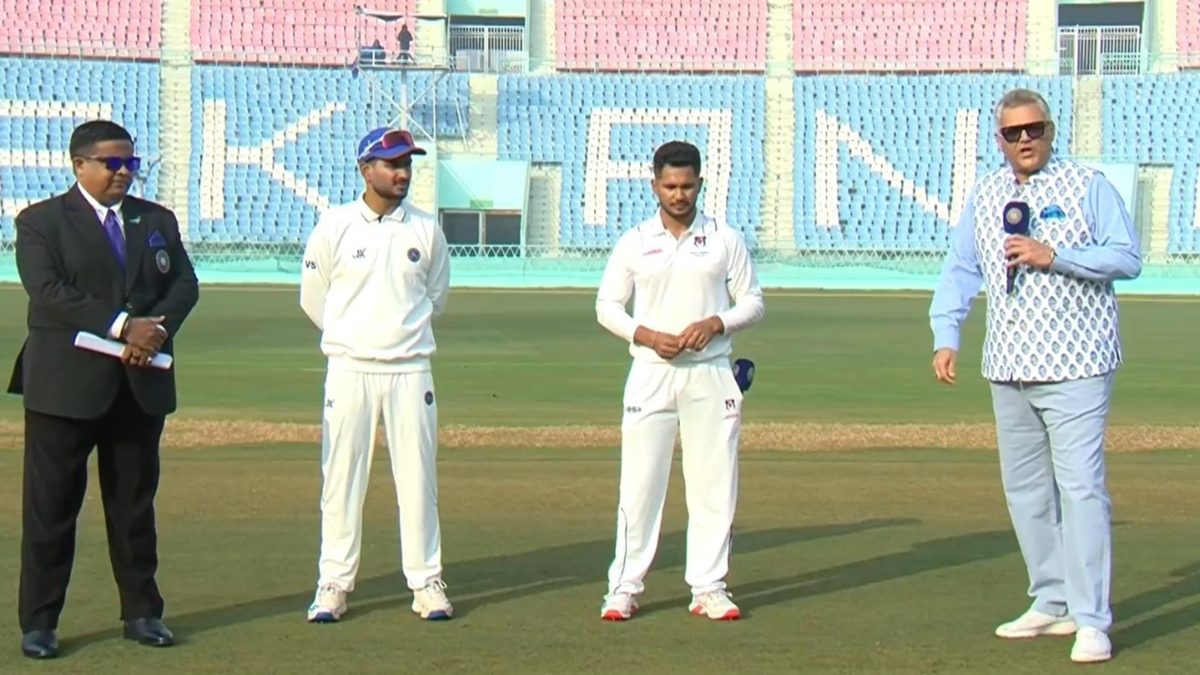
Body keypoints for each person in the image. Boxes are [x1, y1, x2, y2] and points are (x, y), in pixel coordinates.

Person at [928, 89, 1142, 664]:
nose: (1025, 140)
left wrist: (1058, 256)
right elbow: (961, 268)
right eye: (1013, 132)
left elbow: (1127, 257)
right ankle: (1052, 599)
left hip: (1078, 363)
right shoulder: (986, 193)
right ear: (999, 140)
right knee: (1025, 490)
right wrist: (946, 333)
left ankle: (1091, 620)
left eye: (1035, 129)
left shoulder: (1087, 186)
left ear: (1051, 130)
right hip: (1008, 364)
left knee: (1081, 489)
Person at [8, 120, 199, 659]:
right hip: (65, 388)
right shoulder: (41, 221)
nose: (123, 173)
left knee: (134, 508)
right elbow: (48, 292)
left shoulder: (155, 219)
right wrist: (122, 327)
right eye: (111, 163)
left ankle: (142, 613)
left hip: (138, 385)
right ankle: (40, 623)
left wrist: (154, 331)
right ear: (79, 165)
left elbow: (184, 284)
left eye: (130, 163)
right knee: (51, 511)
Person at [595, 140, 765, 622]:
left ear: (700, 183)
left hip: (710, 372)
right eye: (669, 186)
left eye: (687, 186)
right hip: (651, 374)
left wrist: (716, 323)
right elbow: (606, 306)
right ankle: (624, 587)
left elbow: (753, 302)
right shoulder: (634, 241)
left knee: (713, 485)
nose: (678, 195)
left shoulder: (724, 238)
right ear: (654, 185)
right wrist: (646, 335)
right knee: (639, 486)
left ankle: (709, 587)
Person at [300, 127, 453, 623]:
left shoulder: (426, 229)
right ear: (366, 170)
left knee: (418, 479)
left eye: (407, 163)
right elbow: (314, 300)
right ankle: (334, 583)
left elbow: (435, 298)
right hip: (350, 370)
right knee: (342, 480)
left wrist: (397, 337)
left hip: (410, 370)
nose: (402, 172)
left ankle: (426, 582)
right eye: (392, 163)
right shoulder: (336, 226)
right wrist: (353, 338)